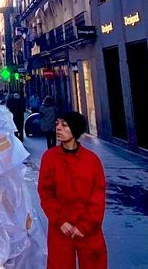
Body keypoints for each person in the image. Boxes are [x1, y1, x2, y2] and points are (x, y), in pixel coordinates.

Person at [38, 112, 107, 269]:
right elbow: (45, 192)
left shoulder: (92, 161)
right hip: (61, 228)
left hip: (88, 229)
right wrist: (60, 221)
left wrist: (85, 226)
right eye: (57, 124)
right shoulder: (50, 157)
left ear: (75, 130)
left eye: (64, 125)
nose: (58, 129)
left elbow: (98, 196)